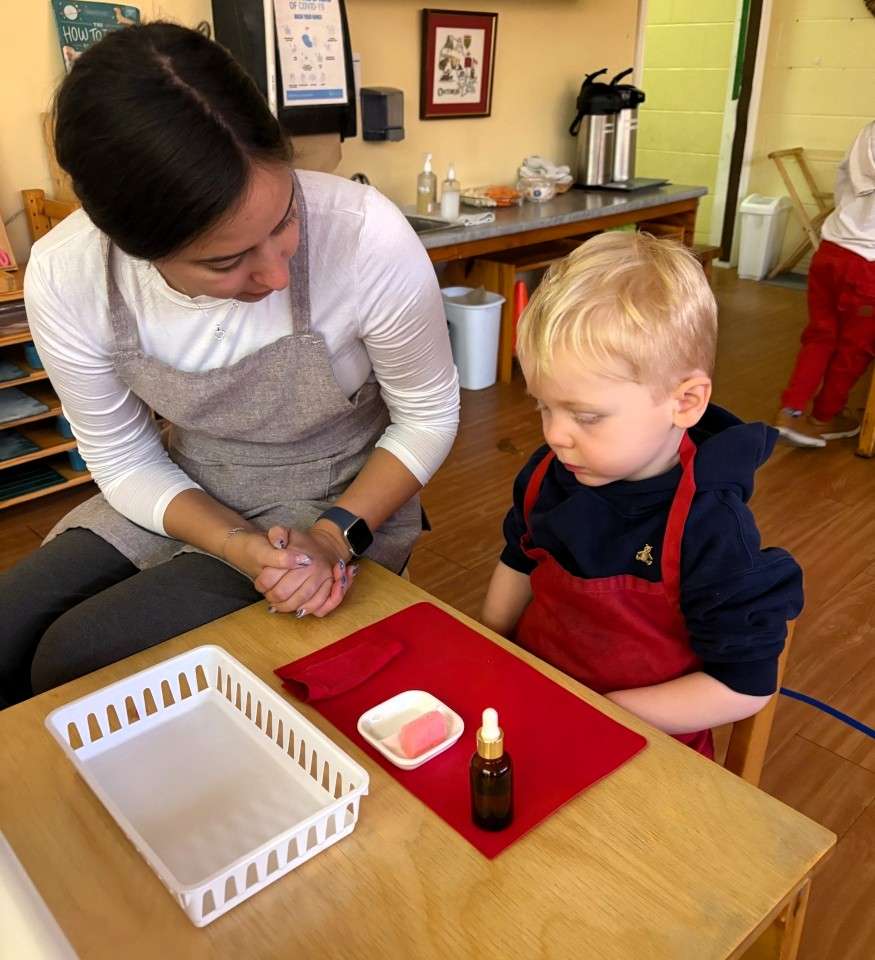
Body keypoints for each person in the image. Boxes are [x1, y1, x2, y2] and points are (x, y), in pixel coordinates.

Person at [0, 23, 459, 706]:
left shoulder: (364, 234)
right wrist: (235, 542)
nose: (275, 275)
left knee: (78, 658)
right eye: (226, 261)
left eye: (284, 219)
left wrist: (335, 536)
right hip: (185, 484)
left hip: (338, 492)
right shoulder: (70, 275)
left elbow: (428, 413)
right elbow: (123, 458)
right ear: (129, 245)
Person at [481, 232, 802, 757]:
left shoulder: (710, 528)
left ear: (685, 402)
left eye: (587, 416)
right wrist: (488, 644)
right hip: (536, 700)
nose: (555, 435)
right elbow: (518, 558)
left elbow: (745, 686)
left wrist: (607, 713)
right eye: (543, 406)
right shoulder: (550, 474)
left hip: (646, 743)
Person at [774, 120, 875, 447]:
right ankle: (824, 416)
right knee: (854, 348)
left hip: (831, 250)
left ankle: (790, 412)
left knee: (820, 335)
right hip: (867, 263)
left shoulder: (868, 131)